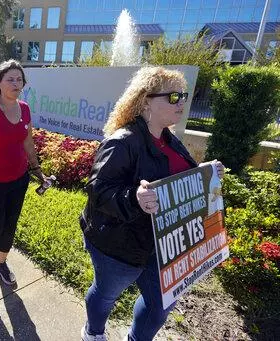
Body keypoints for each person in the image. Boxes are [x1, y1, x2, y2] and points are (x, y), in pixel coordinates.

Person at [79, 66, 225, 341]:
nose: (181, 102)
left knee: (160, 305)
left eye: (183, 96)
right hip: (119, 244)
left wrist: (203, 174)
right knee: (106, 294)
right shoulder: (122, 142)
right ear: (146, 100)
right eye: (173, 97)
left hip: (163, 245)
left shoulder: (171, 140)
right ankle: (93, 333)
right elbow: (98, 191)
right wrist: (133, 197)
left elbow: (176, 182)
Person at [0, 59, 52, 285]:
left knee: (10, 223)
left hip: (18, 178)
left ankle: (0, 263)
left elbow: (28, 142)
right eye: (10, 79)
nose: (16, 83)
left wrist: (37, 170)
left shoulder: (24, 108)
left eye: (19, 79)